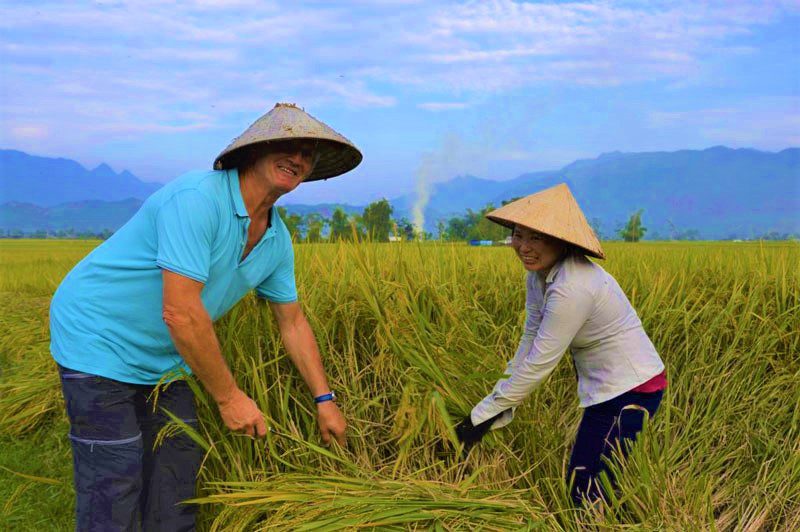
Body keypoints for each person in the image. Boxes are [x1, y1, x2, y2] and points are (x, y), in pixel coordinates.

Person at [49, 103, 362, 530]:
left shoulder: (276, 239)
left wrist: (325, 401)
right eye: (288, 146)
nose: (299, 159)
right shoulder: (197, 199)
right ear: (255, 150)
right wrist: (230, 398)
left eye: (308, 154)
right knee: (115, 475)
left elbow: (293, 323)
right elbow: (180, 312)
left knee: (178, 472)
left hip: (165, 358)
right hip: (98, 336)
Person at [455, 183, 667, 506]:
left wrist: (480, 416)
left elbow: (540, 362)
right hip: (609, 387)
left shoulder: (573, 287)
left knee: (585, 485)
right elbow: (530, 338)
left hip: (632, 389)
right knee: (593, 478)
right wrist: (491, 406)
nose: (523, 246)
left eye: (535, 237)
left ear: (560, 240)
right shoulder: (538, 276)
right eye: (518, 234)